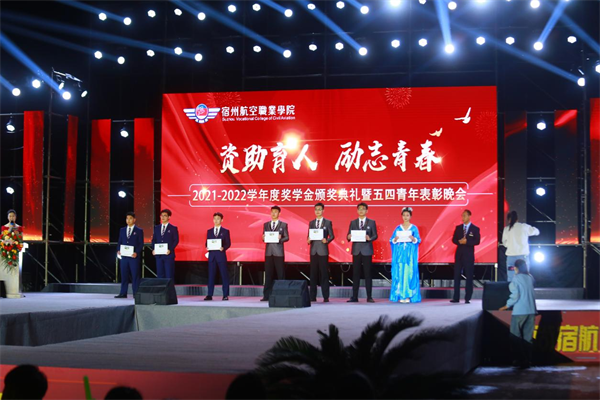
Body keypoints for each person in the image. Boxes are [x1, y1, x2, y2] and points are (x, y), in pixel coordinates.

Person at [499, 259, 537, 368]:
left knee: (515, 336)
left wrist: (506, 306)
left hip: (520, 311)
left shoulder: (516, 278)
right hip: (531, 310)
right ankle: (528, 361)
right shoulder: (530, 277)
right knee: (528, 338)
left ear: (516, 268)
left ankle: (518, 360)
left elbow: (515, 295)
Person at [347, 203, 378, 303]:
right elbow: (348, 235)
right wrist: (348, 237)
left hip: (367, 250)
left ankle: (369, 296)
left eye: (363, 209)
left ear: (366, 211)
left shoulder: (371, 222)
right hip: (356, 251)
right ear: (357, 211)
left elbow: (375, 235)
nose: (361, 210)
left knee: (367, 274)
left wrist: (370, 238)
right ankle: (354, 297)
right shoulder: (353, 222)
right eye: (359, 209)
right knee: (355, 274)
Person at [389, 207, 421, 303]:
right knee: (399, 273)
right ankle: (400, 295)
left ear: (410, 216)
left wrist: (413, 239)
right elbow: (391, 240)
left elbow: (418, 240)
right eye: (404, 215)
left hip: (409, 255)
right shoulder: (398, 228)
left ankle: (408, 295)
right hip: (400, 255)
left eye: (407, 215)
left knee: (409, 273)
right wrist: (395, 239)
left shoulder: (414, 228)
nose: (405, 217)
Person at [450, 209, 481, 304]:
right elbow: (453, 239)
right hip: (459, 255)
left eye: (464, 215)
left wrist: (467, 242)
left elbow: (477, 241)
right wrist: (459, 241)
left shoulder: (475, 229)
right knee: (456, 276)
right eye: (462, 216)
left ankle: (468, 298)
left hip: (469, 256)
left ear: (469, 216)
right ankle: (456, 297)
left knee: (469, 277)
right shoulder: (458, 228)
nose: (462, 217)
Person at [306, 202, 335, 303]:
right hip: (313, 251)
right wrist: (308, 240)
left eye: (319, 209)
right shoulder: (311, 223)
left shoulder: (327, 222)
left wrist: (327, 240)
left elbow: (332, 236)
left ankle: (325, 296)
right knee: (313, 274)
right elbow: (309, 235)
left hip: (323, 251)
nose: (317, 211)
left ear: (323, 210)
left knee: (324, 274)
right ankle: (312, 296)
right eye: (316, 209)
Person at [261, 206, 289, 301]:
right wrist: (263, 238)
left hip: (278, 252)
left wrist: (280, 239)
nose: (273, 213)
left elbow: (287, 237)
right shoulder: (266, 224)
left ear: (279, 213)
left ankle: (282, 295)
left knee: (280, 274)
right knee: (268, 274)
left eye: (275, 212)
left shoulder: (283, 225)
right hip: (269, 252)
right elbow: (265, 236)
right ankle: (266, 296)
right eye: (272, 212)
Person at [502, 211, 539, 282]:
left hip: (511, 256)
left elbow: (505, 243)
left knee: (511, 278)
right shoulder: (524, 226)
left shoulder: (507, 229)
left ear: (509, 220)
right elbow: (537, 232)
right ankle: (524, 289)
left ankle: (513, 289)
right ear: (517, 218)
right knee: (524, 276)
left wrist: (510, 244)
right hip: (523, 256)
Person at [115, 212, 144, 298]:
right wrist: (118, 250)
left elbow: (141, 244)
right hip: (124, 257)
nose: (128, 220)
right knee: (124, 275)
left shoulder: (139, 230)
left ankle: (136, 293)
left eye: (130, 218)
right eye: (127, 218)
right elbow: (120, 242)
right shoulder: (122, 230)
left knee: (135, 275)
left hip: (133, 257)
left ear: (134, 220)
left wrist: (136, 252)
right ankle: (123, 293)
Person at [205, 212, 231, 301]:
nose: (216, 220)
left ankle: (225, 295)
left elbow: (228, 243)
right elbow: (207, 243)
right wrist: (207, 246)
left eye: (218, 219)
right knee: (211, 276)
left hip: (221, 255)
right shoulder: (209, 231)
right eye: (215, 219)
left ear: (222, 220)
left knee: (224, 275)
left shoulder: (225, 231)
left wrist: (223, 248)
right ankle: (209, 294)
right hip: (212, 256)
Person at [151, 209, 179, 280]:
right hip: (159, 256)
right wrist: (153, 249)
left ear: (169, 217)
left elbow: (176, 240)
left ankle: (170, 288)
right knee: (160, 275)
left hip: (168, 255)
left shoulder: (173, 228)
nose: (163, 217)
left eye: (165, 216)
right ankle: (161, 288)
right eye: (161, 216)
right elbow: (154, 240)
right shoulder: (156, 228)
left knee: (169, 275)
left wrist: (170, 249)